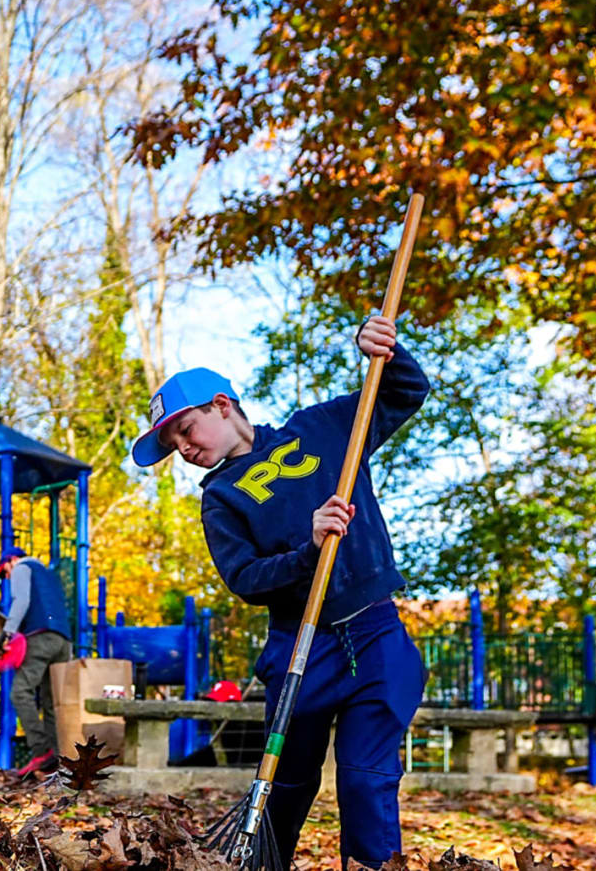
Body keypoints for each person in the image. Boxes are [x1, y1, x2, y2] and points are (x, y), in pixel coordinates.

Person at [131, 315, 428, 871]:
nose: (184, 449)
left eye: (186, 431)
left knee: (366, 779)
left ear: (222, 404)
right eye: (173, 446)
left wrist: (386, 349)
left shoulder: (321, 429)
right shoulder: (220, 497)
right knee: (285, 784)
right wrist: (309, 552)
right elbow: (244, 579)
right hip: (299, 648)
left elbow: (405, 392)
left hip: (374, 629)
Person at [0, 547, 74, 777]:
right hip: (64, 641)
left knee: (19, 693)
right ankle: (57, 763)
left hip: (41, 637)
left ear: (12, 560)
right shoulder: (50, 575)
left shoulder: (22, 567)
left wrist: (7, 634)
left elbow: (22, 600)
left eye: (4, 572)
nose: (7, 577)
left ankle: (41, 751)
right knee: (51, 703)